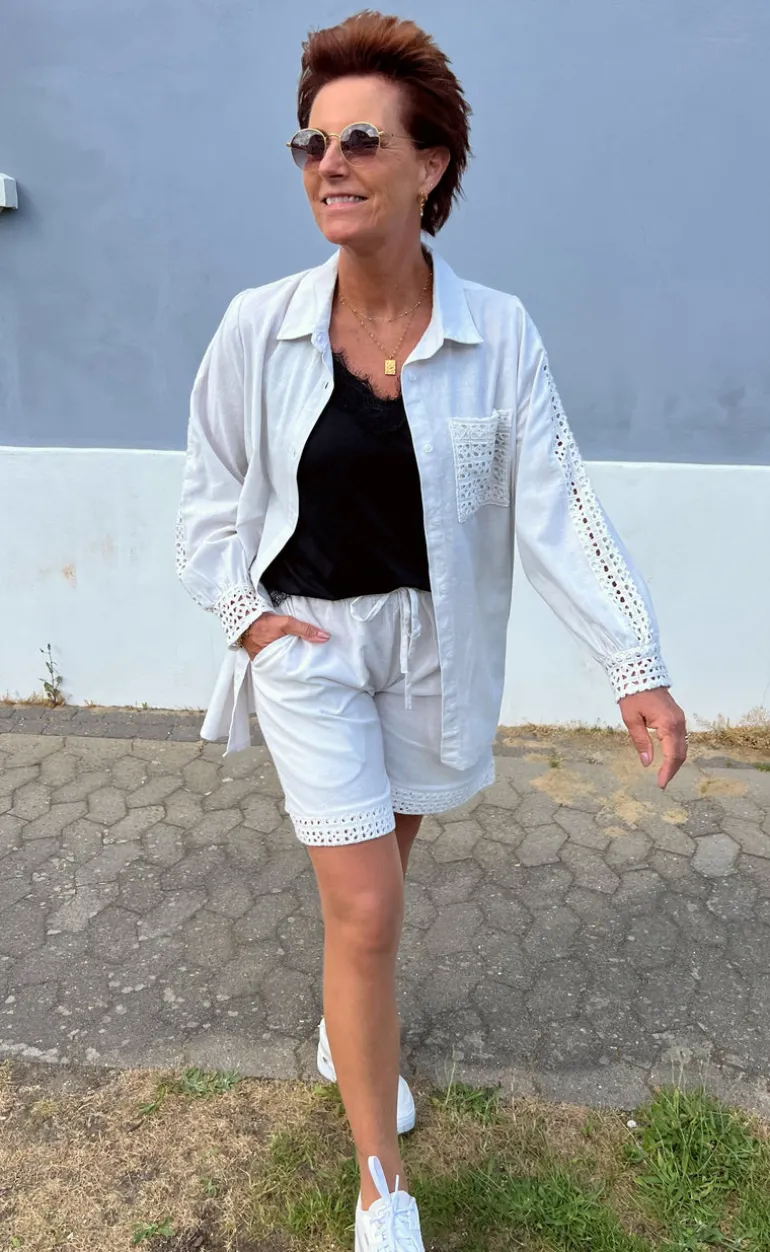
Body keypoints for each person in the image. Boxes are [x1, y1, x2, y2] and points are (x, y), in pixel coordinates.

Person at [176, 11, 688, 1249]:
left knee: (379, 887)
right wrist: (249, 624)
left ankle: (343, 1028)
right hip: (309, 650)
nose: (329, 164)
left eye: (360, 140)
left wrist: (632, 664)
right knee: (365, 914)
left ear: (429, 165)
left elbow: (557, 506)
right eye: (310, 144)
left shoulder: (496, 332)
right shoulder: (259, 326)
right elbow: (207, 495)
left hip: (430, 648)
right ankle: (380, 1185)